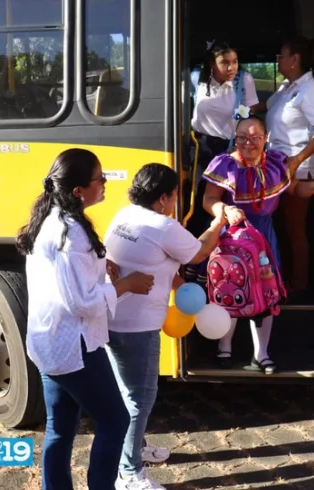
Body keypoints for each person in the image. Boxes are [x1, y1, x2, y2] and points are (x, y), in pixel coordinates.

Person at [15, 148, 155, 490]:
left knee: (60, 427)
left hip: (50, 343)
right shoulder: (70, 232)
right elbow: (82, 302)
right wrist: (127, 285)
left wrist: (100, 265)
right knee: (115, 420)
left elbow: (67, 279)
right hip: (73, 346)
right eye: (99, 178)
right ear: (78, 190)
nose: (105, 182)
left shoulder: (52, 218)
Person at [104, 163, 226, 490]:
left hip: (112, 318)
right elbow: (200, 252)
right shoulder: (163, 226)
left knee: (126, 393)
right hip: (137, 327)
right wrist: (218, 222)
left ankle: (136, 448)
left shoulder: (125, 215)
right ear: (163, 198)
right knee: (139, 398)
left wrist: (173, 280)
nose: (175, 202)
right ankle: (129, 474)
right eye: (174, 195)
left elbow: (144, 259)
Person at [202, 115, 314, 374]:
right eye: (242, 137)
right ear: (235, 138)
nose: (248, 143)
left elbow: (295, 189)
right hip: (231, 235)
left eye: (255, 138)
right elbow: (209, 199)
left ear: (266, 139)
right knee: (229, 287)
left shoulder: (275, 164)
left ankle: (261, 354)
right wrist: (225, 210)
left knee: (266, 292)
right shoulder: (224, 164)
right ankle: (224, 346)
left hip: (264, 238)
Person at [185, 40, 261, 285]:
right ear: (211, 63)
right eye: (225, 62)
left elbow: (250, 111)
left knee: (227, 205)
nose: (231, 68)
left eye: (235, 62)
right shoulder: (195, 78)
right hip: (200, 147)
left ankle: (218, 265)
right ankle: (194, 262)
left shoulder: (243, 80)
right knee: (199, 204)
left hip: (229, 148)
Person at [264, 35, 314, 297]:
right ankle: (282, 280)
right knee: (280, 225)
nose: (278, 60)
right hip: (276, 165)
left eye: (281, 56)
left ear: (295, 59)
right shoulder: (287, 88)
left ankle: (299, 285)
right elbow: (266, 109)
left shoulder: (310, 90)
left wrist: (296, 160)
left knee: (294, 227)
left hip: (298, 168)